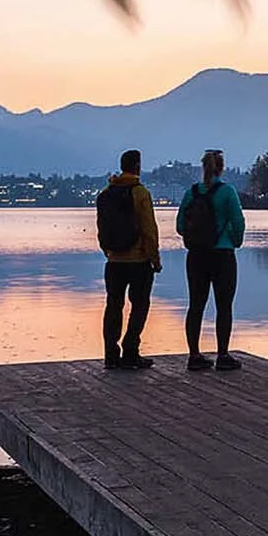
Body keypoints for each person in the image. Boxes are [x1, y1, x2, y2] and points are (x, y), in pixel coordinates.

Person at [176, 148, 245, 371]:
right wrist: (234, 241)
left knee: (196, 305)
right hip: (222, 255)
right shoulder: (227, 192)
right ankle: (223, 355)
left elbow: (179, 226)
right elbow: (238, 221)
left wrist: (196, 238)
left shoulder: (191, 193)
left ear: (202, 167)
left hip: (196, 256)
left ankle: (194, 355)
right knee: (224, 306)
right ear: (221, 168)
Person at [98, 149, 161, 370]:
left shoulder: (107, 192)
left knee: (113, 306)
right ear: (137, 166)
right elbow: (149, 229)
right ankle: (131, 350)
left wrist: (107, 250)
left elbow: (101, 227)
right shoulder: (140, 193)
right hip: (138, 261)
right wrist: (154, 258)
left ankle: (111, 354)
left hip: (114, 261)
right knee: (140, 304)